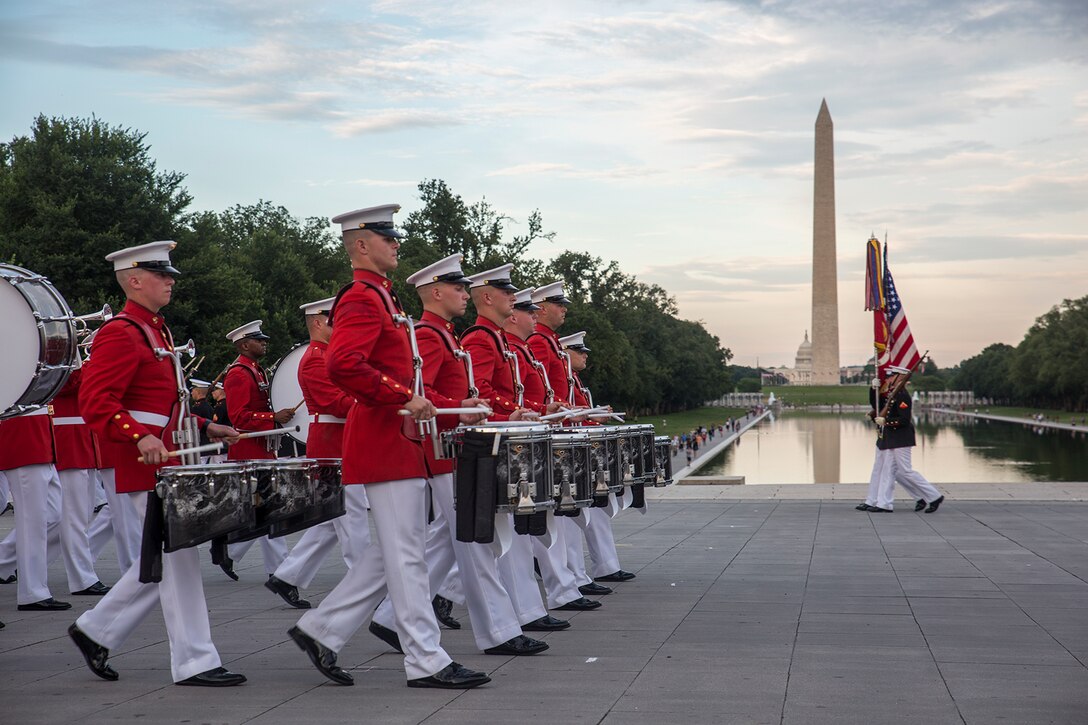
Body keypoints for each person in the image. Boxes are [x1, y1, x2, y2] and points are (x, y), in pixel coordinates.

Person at [287, 203, 489, 689]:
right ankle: (426, 660)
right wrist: (404, 397)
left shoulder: (385, 299)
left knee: (398, 550)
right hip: (383, 438)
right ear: (360, 245)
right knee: (406, 555)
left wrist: (454, 406)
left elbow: (407, 381)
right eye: (386, 236)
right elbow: (344, 364)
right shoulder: (361, 297)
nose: (396, 242)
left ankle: (321, 629)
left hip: (399, 439)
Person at [68, 240, 245, 686]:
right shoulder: (121, 332)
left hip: (166, 460)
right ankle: (195, 661)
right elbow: (96, 403)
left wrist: (206, 428)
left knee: (164, 561)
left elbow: (166, 404)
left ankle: (95, 630)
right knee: (178, 559)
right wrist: (139, 436)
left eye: (169, 275)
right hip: (144, 463)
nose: (170, 281)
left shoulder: (155, 331)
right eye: (160, 275)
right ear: (133, 280)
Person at [369, 255, 551, 656]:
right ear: (436, 292)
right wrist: (465, 406)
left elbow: (466, 394)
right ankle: (500, 630)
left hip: (457, 448)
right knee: (475, 542)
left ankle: (384, 618)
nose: (465, 294)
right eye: (458, 288)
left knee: (454, 542)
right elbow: (422, 393)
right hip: (447, 451)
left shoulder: (450, 335)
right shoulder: (438, 336)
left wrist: (500, 412)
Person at [461, 265, 586, 625]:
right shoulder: (481, 339)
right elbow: (478, 395)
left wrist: (537, 409)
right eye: (520, 304)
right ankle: (532, 606)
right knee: (500, 532)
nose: (526, 310)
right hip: (492, 443)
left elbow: (505, 394)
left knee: (495, 533)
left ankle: (537, 602)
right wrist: (519, 411)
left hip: (511, 437)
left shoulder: (501, 341)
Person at [504, 289, 603, 610]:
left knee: (558, 518)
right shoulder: (533, 343)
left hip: (550, 434)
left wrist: (565, 412)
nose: (563, 310)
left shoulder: (541, 343)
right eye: (557, 305)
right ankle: (565, 584)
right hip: (533, 438)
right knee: (540, 522)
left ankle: (569, 582)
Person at [265, 298, 365, 610]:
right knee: (352, 514)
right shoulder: (315, 359)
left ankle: (288, 576)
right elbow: (336, 402)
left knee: (330, 520)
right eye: (335, 321)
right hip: (331, 442)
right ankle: (367, 583)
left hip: (339, 438)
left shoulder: (328, 356)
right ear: (319, 324)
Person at [220, 320, 294, 582]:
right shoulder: (239, 373)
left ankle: (229, 549)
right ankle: (280, 571)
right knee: (271, 510)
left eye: (263, 339)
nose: (264, 343)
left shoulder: (257, 370)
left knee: (263, 510)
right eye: (258, 340)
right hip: (249, 450)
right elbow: (238, 417)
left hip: (262, 449)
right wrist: (274, 416)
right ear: (244, 344)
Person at [561, 331, 636, 584]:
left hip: (581, 449)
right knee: (571, 515)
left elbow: (577, 417)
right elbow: (567, 418)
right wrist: (596, 418)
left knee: (595, 509)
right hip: (569, 451)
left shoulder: (575, 381)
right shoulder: (565, 379)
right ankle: (575, 573)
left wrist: (596, 417)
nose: (584, 356)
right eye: (579, 351)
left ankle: (605, 565)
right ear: (565, 353)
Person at [0, 410, 69, 611]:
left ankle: (9, 567)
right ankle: (32, 591)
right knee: (32, 522)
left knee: (53, 515)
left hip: (40, 441)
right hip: (22, 441)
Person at [861, 365, 945, 513]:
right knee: (890, 470)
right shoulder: (892, 394)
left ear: (899, 378)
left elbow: (904, 420)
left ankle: (934, 495)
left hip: (901, 438)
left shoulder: (902, 396)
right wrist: (873, 389)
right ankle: (885, 503)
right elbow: (878, 404)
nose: (887, 379)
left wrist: (886, 422)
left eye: (890, 377)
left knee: (905, 471)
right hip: (891, 438)